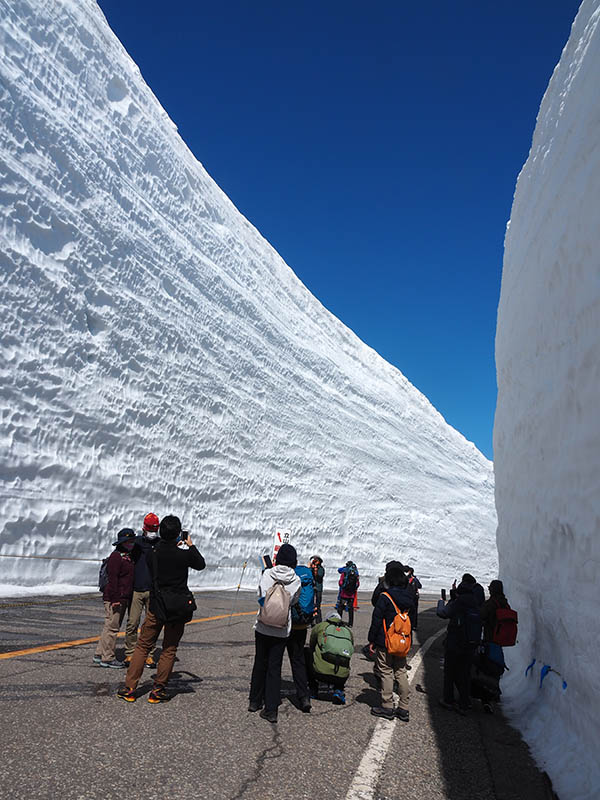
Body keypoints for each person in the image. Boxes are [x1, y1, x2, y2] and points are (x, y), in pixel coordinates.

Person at [117, 515, 205, 703]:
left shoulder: (153, 553)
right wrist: (190, 545)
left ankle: (130, 688)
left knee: (143, 646)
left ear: (161, 532)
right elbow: (200, 564)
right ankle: (158, 691)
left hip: (157, 606)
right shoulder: (184, 553)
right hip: (177, 608)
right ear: (177, 534)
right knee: (169, 649)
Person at [248, 543, 301, 723]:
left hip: (263, 626)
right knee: (274, 667)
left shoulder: (268, 573)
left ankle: (254, 701)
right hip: (282, 629)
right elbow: (294, 601)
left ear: (278, 558)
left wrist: (268, 607)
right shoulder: (296, 579)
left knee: (259, 662)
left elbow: (260, 595)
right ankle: (271, 709)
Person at [368, 561, 415, 720]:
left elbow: (376, 620)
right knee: (401, 671)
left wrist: (371, 640)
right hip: (402, 640)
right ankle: (404, 707)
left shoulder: (385, 596)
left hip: (385, 641)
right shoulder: (409, 597)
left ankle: (387, 706)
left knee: (386, 671)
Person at [437, 576, 482, 715]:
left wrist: (442, 601)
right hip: (471, 645)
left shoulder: (459, 602)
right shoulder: (475, 602)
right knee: (465, 674)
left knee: (450, 672)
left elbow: (443, 613)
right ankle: (464, 703)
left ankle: (448, 700)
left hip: (455, 643)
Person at [94, 528, 137, 668]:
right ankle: (108, 658)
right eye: (128, 541)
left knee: (109, 626)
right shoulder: (116, 557)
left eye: (131, 541)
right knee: (112, 628)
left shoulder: (127, 556)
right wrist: (114, 599)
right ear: (122, 542)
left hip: (122, 597)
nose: (130, 543)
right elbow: (112, 580)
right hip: (115, 598)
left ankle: (99, 654)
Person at [124, 512, 160, 667]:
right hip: (137, 589)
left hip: (153, 590)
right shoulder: (136, 543)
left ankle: (149, 654)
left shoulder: (160, 544)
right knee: (133, 622)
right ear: (144, 529)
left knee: (150, 625)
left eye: (154, 529)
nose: (152, 532)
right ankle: (130, 653)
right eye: (150, 529)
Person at [286, 561, 316, 713]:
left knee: (274, 659)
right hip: (302, 624)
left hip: (286, 624)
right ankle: (304, 697)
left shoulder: (288, 576)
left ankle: (267, 695)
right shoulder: (307, 577)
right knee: (298, 660)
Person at [307, 611, 354, 704]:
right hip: (341, 677)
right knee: (343, 657)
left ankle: (313, 689)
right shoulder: (348, 631)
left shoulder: (321, 626)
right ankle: (339, 689)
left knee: (307, 653)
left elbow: (312, 644)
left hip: (319, 673)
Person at [336, 560, 359, 626]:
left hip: (344, 593)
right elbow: (357, 584)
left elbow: (340, 582)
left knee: (340, 608)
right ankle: (350, 623)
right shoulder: (356, 573)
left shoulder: (345, 572)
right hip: (351, 594)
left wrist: (343, 586)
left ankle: (339, 621)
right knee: (350, 609)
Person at [405, 566, 422, 631]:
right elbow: (420, 586)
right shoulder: (414, 579)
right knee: (414, 612)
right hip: (414, 597)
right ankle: (413, 625)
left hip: (409, 597)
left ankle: (408, 624)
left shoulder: (406, 579)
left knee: (408, 611)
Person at [309, 555, 325, 623]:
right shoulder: (311, 568)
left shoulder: (321, 569)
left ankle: (319, 620)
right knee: (311, 604)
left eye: (316, 560)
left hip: (318, 588)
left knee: (318, 605)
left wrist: (315, 569)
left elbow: (320, 576)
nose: (315, 561)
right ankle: (311, 621)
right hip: (312, 587)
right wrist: (311, 568)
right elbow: (309, 574)